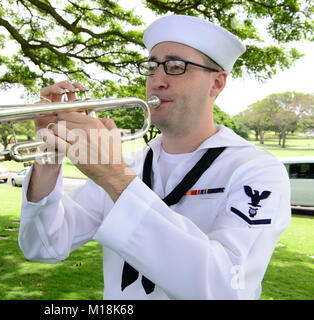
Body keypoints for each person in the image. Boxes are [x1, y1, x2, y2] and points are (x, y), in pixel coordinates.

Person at [18, 15, 291, 299]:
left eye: (175, 67)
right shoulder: (131, 164)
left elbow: (226, 289)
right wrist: (49, 156)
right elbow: (43, 246)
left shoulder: (256, 170)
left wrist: (115, 177)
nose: (157, 81)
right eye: (151, 67)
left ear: (217, 84)